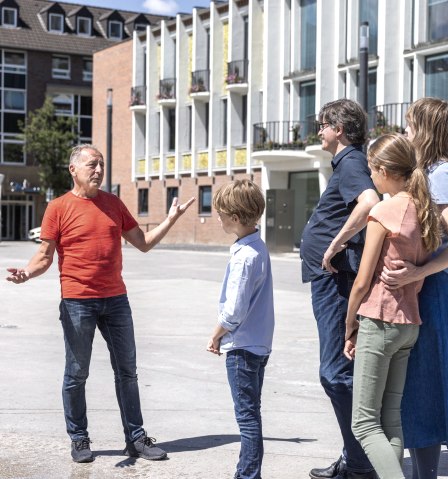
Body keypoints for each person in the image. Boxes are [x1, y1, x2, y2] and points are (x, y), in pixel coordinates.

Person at [6, 144, 195, 463]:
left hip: (116, 301)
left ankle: (135, 439)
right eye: (92, 164)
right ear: (74, 170)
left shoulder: (114, 204)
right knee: (77, 373)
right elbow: (44, 257)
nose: (98, 170)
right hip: (78, 302)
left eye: (102, 165)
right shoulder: (58, 207)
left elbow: (143, 244)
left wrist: (171, 219)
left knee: (128, 372)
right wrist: (26, 272)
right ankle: (79, 438)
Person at [380, 98, 448, 478]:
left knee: (425, 389)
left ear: (427, 130)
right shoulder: (425, 171)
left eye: (411, 126)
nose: (406, 133)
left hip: (432, 295)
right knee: (413, 389)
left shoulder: (442, 173)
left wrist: (417, 273)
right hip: (421, 290)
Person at [343, 133, 441, 479]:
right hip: (409, 324)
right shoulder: (424, 210)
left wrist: (349, 326)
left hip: (379, 320)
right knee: (390, 418)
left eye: (372, 169)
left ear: (385, 170)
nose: (370, 175)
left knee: (364, 424)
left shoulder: (384, 211)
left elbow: (361, 281)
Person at [300, 99, 380, 479]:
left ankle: (360, 463)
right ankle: (357, 459)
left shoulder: (351, 162)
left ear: (340, 129)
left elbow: (369, 202)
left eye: (323, 124)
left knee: (335, 373)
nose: (319, 131)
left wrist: (333, 244)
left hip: (333, 280)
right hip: (327, 280)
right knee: (336, 372)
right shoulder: (347, 163)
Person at [206, 179, 274, 479]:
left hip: (242, 347)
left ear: (234, 218)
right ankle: (249, 473)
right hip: (258, 344)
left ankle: (247, 475)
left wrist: (216, 333)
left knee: (246, 418)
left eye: (221, 214)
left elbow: (234, 310)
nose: (218, 218)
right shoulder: (257, 247)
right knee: (252, 413)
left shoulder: (244, 258)